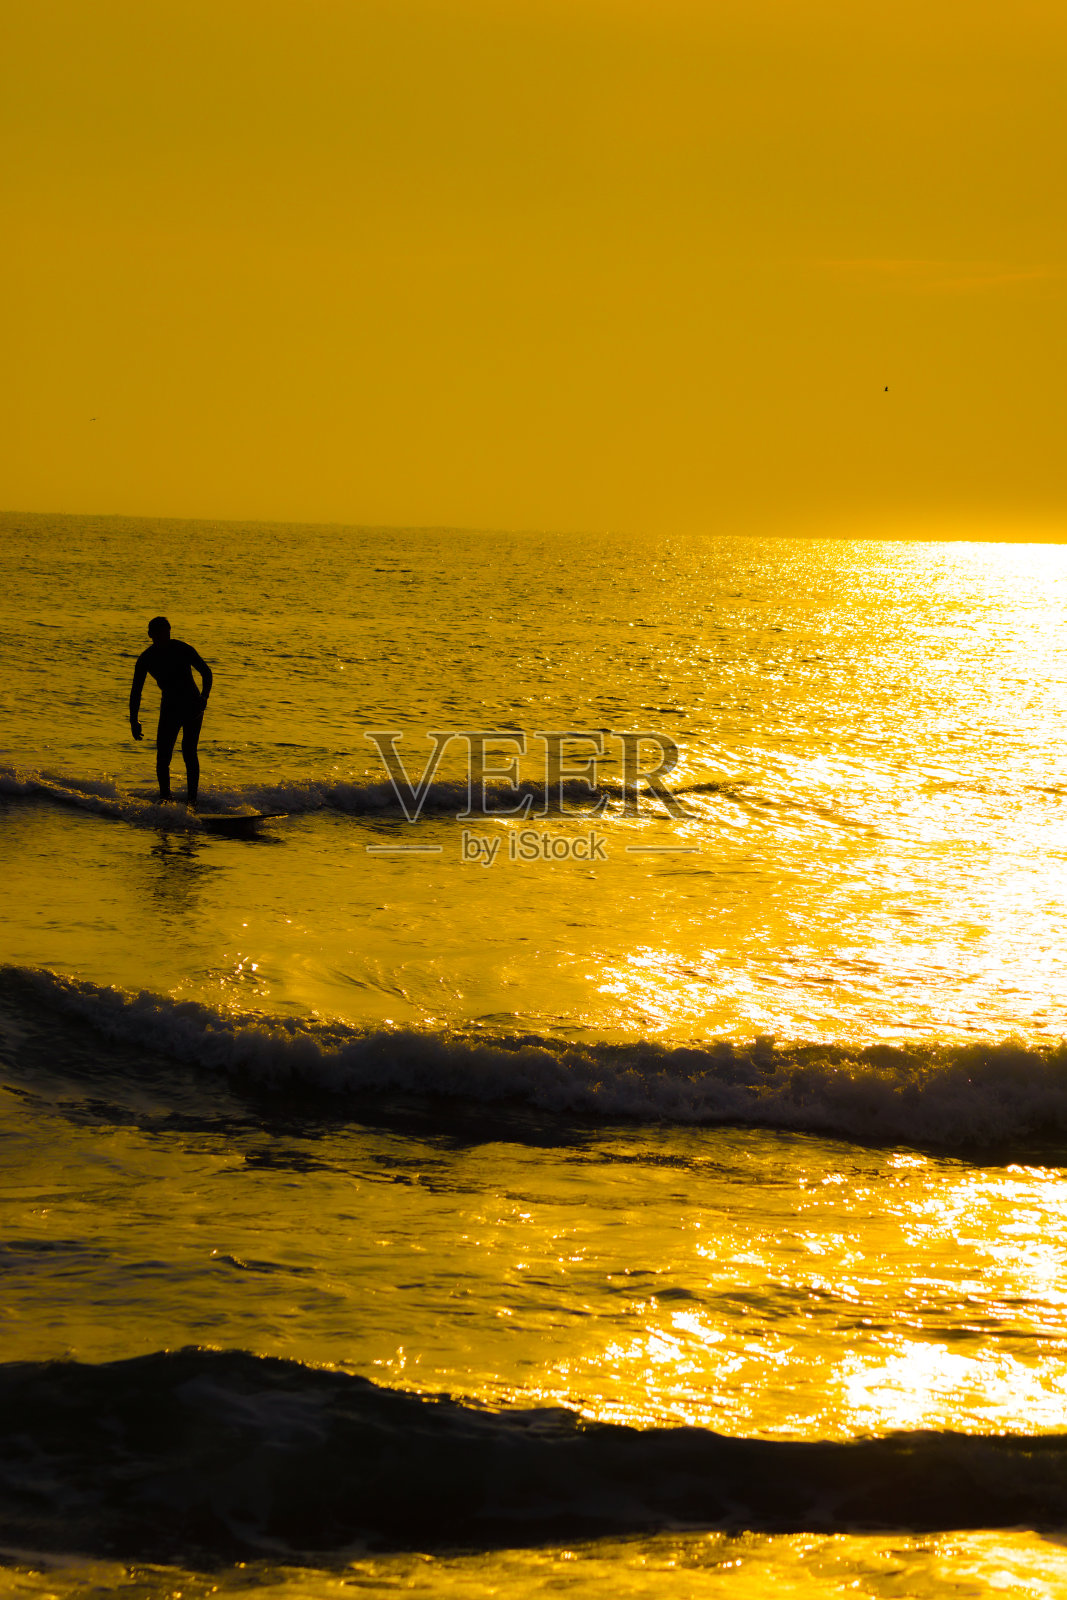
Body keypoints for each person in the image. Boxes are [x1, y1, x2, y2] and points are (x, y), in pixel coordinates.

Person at [129, 617, 213, 806]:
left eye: (165, 634)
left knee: (189, 751)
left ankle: (192, 802)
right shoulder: (146, 658)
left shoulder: (183, 649)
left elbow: (206, 672)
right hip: (170, 708)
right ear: (150, 635)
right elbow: (136, 691)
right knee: (163, 756)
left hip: (193, 705)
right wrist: (134, 721)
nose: (161, 638)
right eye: (157, 635)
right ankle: (165, 801)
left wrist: (204, 698)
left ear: (170, 632)